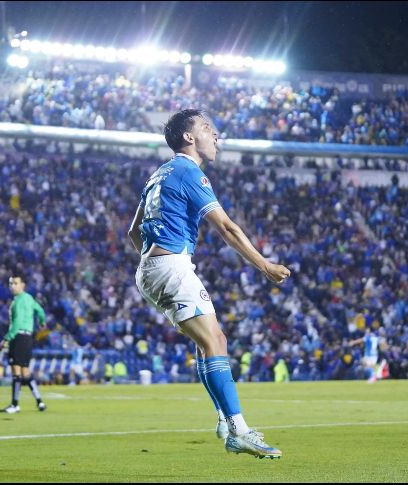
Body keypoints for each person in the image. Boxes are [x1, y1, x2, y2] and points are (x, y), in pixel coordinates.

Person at [128, 108, 291, 459]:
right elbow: (227, 227)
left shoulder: (158, 174)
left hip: (152, 266)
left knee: (212, 341)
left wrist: (154, 260)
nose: (216, 135)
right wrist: (264, 265)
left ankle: (223, 417)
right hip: (170, 265)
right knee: (215, 340)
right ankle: (239, 431)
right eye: (207, 128)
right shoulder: (189, 172)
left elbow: (132, 232)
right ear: (189, 137)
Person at [0, 271, 47, 413]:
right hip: (28, 337)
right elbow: (40, 310)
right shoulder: (29, 298)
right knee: (25, 371)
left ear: (23, 285)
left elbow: (17, 321)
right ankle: (39, 401)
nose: (13, 286)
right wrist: (42, 321)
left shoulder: (18, 300)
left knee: (16, 370)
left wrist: (8, 337)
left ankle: (15, 404)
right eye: (11, 284)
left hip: (18, 337)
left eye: (15, 283)